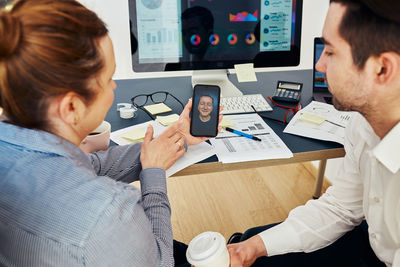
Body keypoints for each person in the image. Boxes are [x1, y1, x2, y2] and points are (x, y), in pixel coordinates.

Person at [0, 0, 212, 266]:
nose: (114, 86)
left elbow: (88, 165)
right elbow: (161, 261)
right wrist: (153, 175)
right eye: (109, 78)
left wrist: (172, 138)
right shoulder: (106, 216)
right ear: (71, 106)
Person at [227, 0, 400, 266]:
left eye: (330, 51)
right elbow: (341, 207)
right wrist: (250, 249)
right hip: (373, 243)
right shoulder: (361, 124)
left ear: (382, 69)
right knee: (252, 243)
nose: (319, 65)